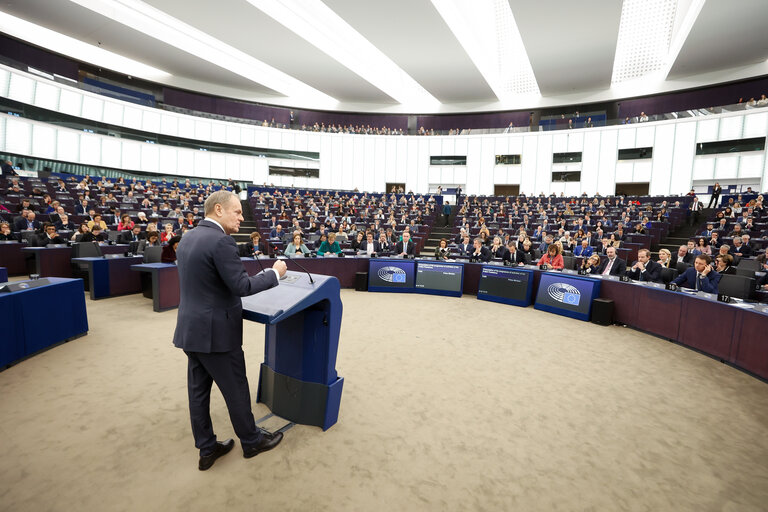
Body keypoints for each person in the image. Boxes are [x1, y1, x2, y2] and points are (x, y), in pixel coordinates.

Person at [172, 191, 287, 471]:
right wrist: (274, 273)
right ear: (219, 209)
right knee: (236, 390)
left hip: (191, 330)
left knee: (198, 394)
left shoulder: (187, 238)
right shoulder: (221, 240)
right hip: (217, 335)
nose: (242, 217)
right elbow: (241, 286)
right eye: (237, 212)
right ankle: (251, 442)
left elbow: (207, 283)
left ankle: (207, 449)